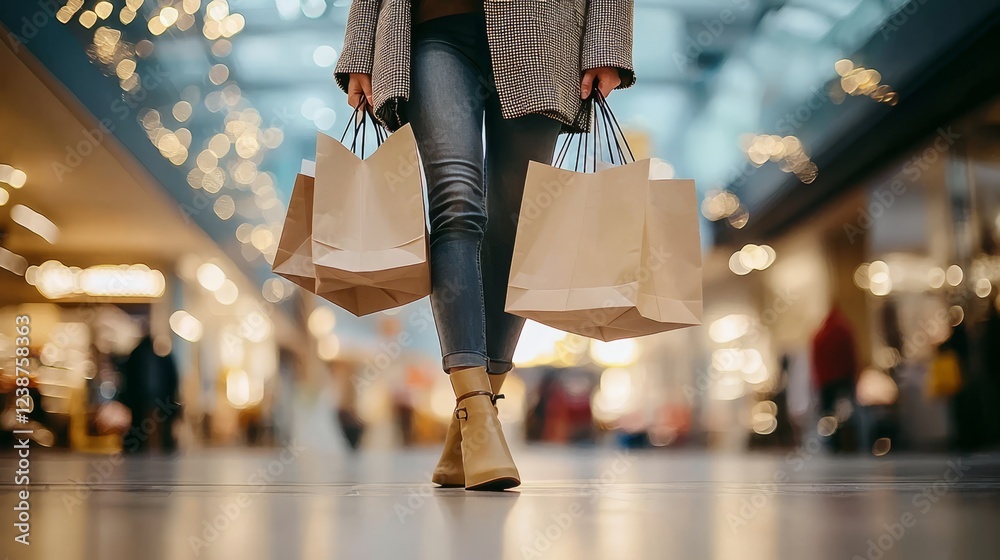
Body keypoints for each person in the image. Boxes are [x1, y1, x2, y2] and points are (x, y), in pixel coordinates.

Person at [335, 0, 635, 490]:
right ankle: (476, 406)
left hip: (545, 29)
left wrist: (607, 40)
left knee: (516, 225)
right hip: (430, 29)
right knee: (455, 202)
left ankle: (472, 426)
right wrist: (360, 47)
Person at [119, 332, 181, 453]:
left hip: (146, 398)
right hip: (155, 398)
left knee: (146, 425)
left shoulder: (139, 355)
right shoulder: (160, 357)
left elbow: (128, 378)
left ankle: (150, 447)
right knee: (154, 425)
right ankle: (154, 447)